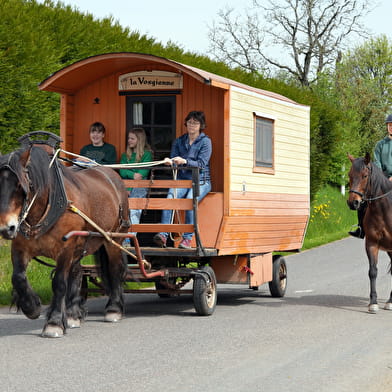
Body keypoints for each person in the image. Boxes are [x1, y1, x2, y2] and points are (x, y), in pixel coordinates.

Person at [153, 110, 212, 249]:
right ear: (186, 123)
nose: (192, 125)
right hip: (182, 180)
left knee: (190, 200)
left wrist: (184, 161)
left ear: (201, 125)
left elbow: (202, 164)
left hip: (201, 181)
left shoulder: (205, 142)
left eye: (195, 122)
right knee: (169, 199)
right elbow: (174, 160)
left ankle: (187, 239)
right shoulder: (179, 141)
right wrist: (170, 162)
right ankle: (163, 235)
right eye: (190, 122)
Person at [349, 114, 392, 238]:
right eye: (389, 125)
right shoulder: (380, 144)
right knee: (364, 199)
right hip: (382, 179)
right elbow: (377, 162)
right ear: (387, 127)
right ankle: (361, 228)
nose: (391, 128)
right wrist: (383, 177)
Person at [119, 128, 153, 244]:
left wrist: (129, 173)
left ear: (140, 140)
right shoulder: (125, 155)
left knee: (134, 211)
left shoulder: (147, 155)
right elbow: (122, 172)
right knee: (122, 210)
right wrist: (133, 175)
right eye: (129, 138)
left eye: (132, 138)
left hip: (140, 187)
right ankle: (123, 238)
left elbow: (143, 174)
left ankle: (129, 239)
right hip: (125, 186)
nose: (129, 140)